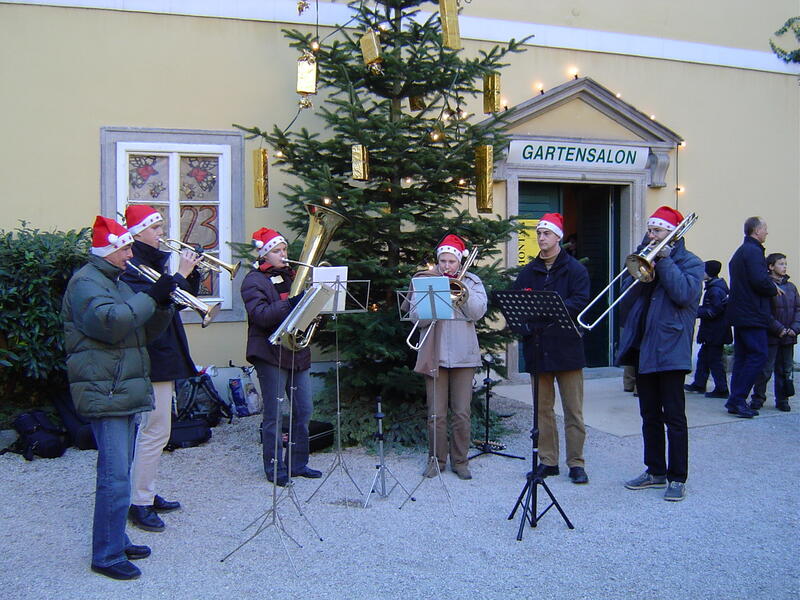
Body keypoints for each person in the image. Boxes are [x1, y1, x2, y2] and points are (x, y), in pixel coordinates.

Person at [62, 216, 175, 580]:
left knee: (120, 474)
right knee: (113, 478)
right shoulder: (85, 283)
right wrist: (149, 297)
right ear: (109, 251)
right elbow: (111, 324)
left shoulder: (112, 280)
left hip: (120, 387)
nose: (130, 254)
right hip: (105, 388)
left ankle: (116, 538)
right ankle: (107, 555)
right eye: (125, 248)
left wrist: (164, 304)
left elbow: (144, 328)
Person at [120, 205, 202, 532]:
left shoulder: (151, 262)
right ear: (138, 232)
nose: (160, 233)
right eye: (154, 228)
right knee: (154, 431)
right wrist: (179, 274)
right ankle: (139, 502)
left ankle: (145, 492)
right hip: (152, 355)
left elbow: (179, 298)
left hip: (164, 352)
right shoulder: (132, 267)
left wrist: (191, 272)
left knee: (158, 432)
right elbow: (151, 308)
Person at [618, 206, 703, 502]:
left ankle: (677, 477)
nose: (650, 235)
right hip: (644, 347)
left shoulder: (692, 263)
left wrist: (664, 263)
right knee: (649, 414)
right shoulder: (646, 258)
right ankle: (655, 470)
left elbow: (685, 295)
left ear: (673, 234)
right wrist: (643, 272)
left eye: (656, 231)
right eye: (650, 231)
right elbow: (626, 296)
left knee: (674, 417)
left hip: (671, 348)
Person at [512, 213, 591, 484]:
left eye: (546, 233)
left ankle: (576, 463)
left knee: (573, 409)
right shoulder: (528, 271)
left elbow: (580, 301)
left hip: (567, 347)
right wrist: (526, 324)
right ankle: (548, 461)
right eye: (539, 233)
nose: (541, 237)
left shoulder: (575, 270)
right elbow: (516, 305)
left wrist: (546, 308)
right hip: (538, 348)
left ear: (558, 236)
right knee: (542, 410)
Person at [240, 227, 321, 487]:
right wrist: (293, 302)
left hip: (297, 351)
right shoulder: (254, 280)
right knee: (274, 414)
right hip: (269, 351)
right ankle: (274, 468)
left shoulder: (294, 276)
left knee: (304, 409)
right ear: (265, 254)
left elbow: (302, 311)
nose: (284, 255)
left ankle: (298, 463)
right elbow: (261, 315)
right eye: (277, 250)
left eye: (285, 249)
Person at [411, 234, 487, 480]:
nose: (446, 266)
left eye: (451, 262)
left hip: (464, 356)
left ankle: (461, 461)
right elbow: (416, 319)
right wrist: (435, 300)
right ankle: (436, 460)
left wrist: (462, 291)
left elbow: (477, 313)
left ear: (460, 262)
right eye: (442, 261)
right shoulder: (426, 281)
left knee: (462, 413)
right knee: (436, 414)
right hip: (435, 354)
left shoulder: (472, 282)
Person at [725, 217, 780, 418]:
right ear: (756, 231)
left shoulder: (741, 251)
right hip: (752, 313)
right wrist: (773, 288)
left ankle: (735, 399)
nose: (767, 232)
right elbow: (759, 281)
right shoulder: (754, 252)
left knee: (742, 357)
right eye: (765, 229)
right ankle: (738, 399)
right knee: (758, 355)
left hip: (742, 312)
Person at [751, 253, 799, 411]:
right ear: (771, 267)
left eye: (785, 264)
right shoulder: (767, 287)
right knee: (765, 369)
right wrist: (778, 328)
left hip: (789, 336)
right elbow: (764, 312)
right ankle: (758, 398)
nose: (784, 267)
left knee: (785, 369)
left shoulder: (791, 287)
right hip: (772, 335)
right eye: (781, 264)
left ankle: (783, 399)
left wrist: (794, 328)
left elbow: (798, 309)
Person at [684, 260, 732, 398]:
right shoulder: (715, 287)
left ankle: (721, 388)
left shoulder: (715, 290)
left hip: (715, 332)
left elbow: (714, 311)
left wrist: (694, 311)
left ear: (708, 273)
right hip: (713, 331)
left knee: (714, 360)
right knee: (704, 357)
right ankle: (699, 384)